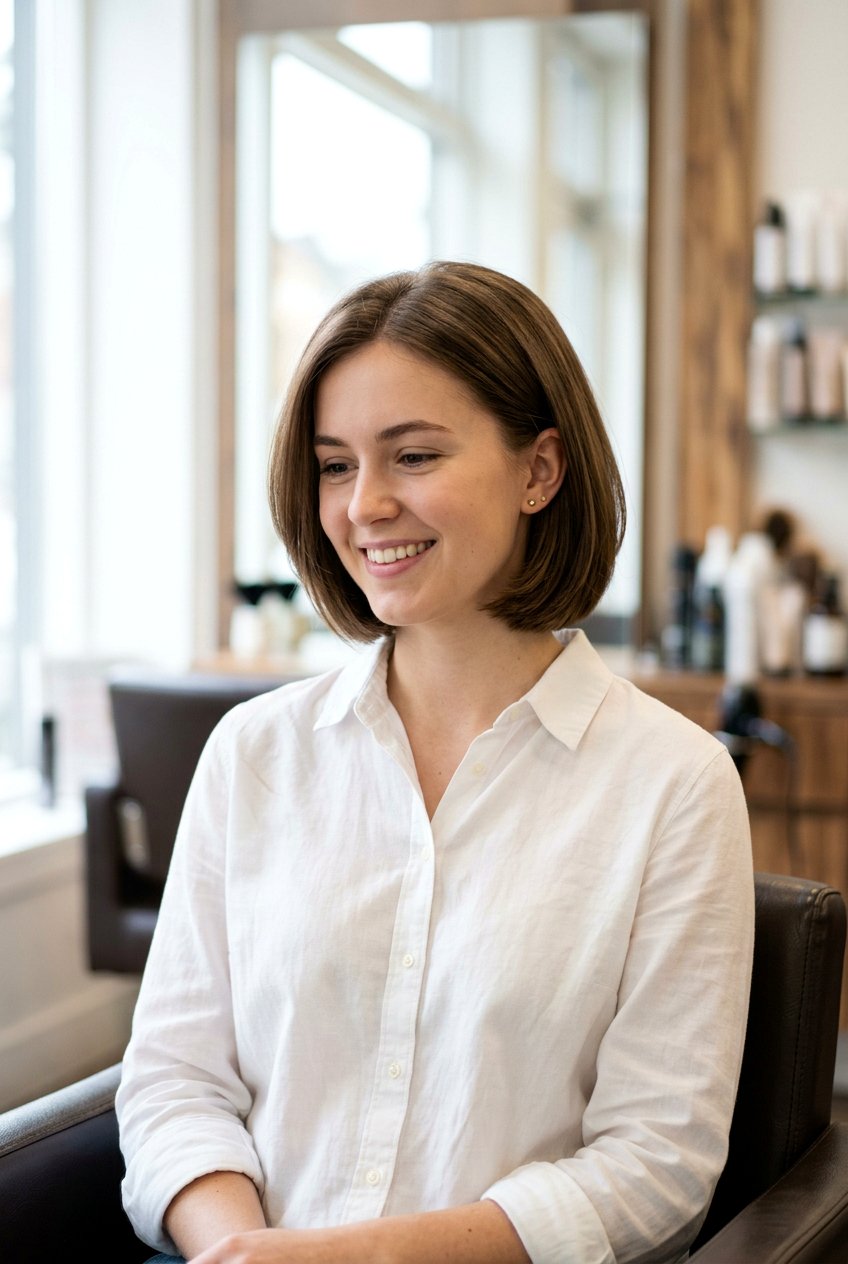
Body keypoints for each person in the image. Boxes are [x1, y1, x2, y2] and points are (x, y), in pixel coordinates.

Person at [116, 260, 754, 1264]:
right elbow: (174, 1082)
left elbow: (654, 1165)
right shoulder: (256, 754)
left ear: (538, 470)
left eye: (411, 455)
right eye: (334, 465)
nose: (364, 504)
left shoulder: (671, 784)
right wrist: (240, 1252)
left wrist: (341, 1258)